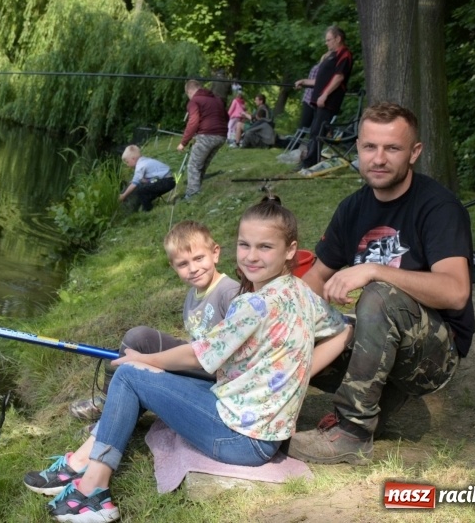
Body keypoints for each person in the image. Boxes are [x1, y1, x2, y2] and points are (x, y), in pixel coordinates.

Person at [24, 196, 353, 522]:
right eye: (245, 245)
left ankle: (93, 493)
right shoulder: (301, 292)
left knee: (129, 375)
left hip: (241, 440)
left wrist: (147, 360)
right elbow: (341, 330)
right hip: (262, 432)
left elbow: (198, 356)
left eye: (265, 247)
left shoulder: (252, 305)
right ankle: (83, 464)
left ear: (290, 250)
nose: (252, 256)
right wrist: (303, 370)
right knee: (141, 372)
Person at [288, 102, 475, 465]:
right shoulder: (352, 208)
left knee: (378, 295)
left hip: (433, 355)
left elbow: (455, 292)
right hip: (378, 341)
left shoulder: (439, 207)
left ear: (414, 153)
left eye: (392, 148)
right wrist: (274, 317)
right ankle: (262, 399)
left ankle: (352, 433)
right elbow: (315, 279)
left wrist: (375, 269)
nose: (378, 158)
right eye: (370, 147)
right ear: (358, 148)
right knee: (292, 315)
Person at [68, 220, 239, 421]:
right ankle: (110, 403)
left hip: (219, 375)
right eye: (183, 264)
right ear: (173, 266)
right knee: (138, 338)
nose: (193, 268)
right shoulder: (192, 296)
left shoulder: (229, 292)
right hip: (197, 362)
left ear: (215, 253)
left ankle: (115, 415)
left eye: (199, 258)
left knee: (141, 368)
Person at [300, 26, 353, 169]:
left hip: (328, 101)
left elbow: (339, 77)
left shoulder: (344, 54)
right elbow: (322, 80)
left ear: (338, 38)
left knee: (318, 132)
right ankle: (309, 161)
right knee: (314, 131)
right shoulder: (331, 55)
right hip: (319, 100)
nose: (326, 43)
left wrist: (324, 94)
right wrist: (305, 82)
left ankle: (309, 163)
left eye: (329, 40)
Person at [177, 79, 228, 200]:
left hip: (207, 136)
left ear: (189, 91)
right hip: (221, 136)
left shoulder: (194, 101)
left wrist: (183, 143)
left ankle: (192, 195)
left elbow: (193, 122)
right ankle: (196, 190)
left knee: (193, 165)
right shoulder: (217, 99)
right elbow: (227, 117)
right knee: (202, 164)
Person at [118, 145, 175, 212]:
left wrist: (123, 195)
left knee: (140, 190)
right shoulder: (144, 160)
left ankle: (147, 209)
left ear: (133, 159)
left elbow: (134, 184)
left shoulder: (140, 166)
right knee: (143, 187)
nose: (127, 165)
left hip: (166, 182)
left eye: (127, 162)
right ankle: (144, 205)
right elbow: (138, 180)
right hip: (169, 180)